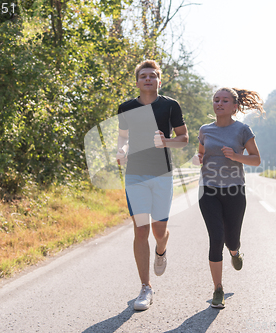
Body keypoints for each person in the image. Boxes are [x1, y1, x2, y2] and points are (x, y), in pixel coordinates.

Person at [116, 60, 188, 311]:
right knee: (141, 231)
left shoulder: (170, 106)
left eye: (152, 76)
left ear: (159, 81)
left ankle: (161, 249)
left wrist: (166, 142)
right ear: (137, 81)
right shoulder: (126, 107)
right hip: (135, 174)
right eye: (143, 76)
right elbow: (123, 137)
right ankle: (145, 287)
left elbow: (184, 139)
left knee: (159, 231)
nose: (148, 79)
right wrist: (121, 150)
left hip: (162, 175)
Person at [193, 87, 264, 308]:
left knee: (230, 239)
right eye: (216, 100)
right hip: (209, 190)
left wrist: (235, 156)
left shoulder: (242, 130)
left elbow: (256, 160)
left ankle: (234, 250)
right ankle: (218, 289)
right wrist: (198, 158)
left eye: (224, 100)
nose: (219, 103)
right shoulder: (205, 130)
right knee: (216, 237)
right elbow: (201, 154)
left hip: (234, 190)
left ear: (234, 106)